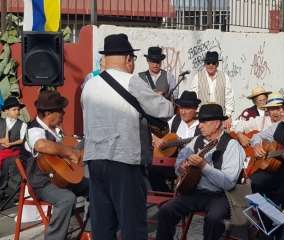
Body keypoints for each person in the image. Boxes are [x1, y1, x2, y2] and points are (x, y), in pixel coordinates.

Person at [81, 34, 173, 240]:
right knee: (132, 225)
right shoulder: (133, 81)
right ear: (128, 59)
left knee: (103, 225)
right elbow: (164, 110)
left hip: (94, 160)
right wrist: (159, 98)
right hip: (125, 161)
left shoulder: (89, 85)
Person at [156, 103, 244, 240]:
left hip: (220, 195)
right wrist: (181, 168)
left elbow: (229, 183)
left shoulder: (232, 145)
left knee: (214, 220)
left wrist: (204, 166)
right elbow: (180, 160)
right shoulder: (196, 140)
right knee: (165, 211)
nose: (199, 125)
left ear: (216, 123)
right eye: (200, 121)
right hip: (195, 192)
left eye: (204, 122)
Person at [21, 90, 88, 240]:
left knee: (96, 186)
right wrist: (70, 153)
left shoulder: (55, 130)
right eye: (61, 110)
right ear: (49, 113)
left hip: (61, 179)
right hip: (42, 184)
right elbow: (42, 145)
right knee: (66, 199)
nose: (64, 113)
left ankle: (89, 230)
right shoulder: (34, 130)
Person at [150, 91, 201, 192]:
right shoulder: (175, 120)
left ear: (195, 109)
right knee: (152, 170)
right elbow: (155, 132)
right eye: (181, 108)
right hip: (171, 164)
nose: (183, 112)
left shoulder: (202, 125)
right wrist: (157, 140)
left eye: (187, 108)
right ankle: (166, 199)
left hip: (191, 168)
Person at [191, 51, 234, 129]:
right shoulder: (197, 77)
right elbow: (194, 98)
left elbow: (229, 97)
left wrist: (228, 115)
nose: (211, 65)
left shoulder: (225, 77)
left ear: (217, 64)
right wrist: (197, 114)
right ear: (205, 64)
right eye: (208, 63)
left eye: (213, 63)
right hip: (203, 118)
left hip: (220, 118)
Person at [0, 97, 27, 199]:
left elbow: (21, 139)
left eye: (18, 110)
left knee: (11, 164)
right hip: (1, 151)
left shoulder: (22, 124)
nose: (17, 112)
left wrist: (11, 144)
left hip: (14, 151)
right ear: (6, 111)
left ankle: (12, 193)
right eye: (14, 110)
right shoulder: (1, 122)